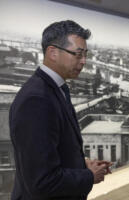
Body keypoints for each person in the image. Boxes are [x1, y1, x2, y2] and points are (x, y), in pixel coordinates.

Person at [9, 20, 112, 200]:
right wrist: (89, 176)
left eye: (85, 54)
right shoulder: (37, 100)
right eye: (78, 54)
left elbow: (53, 151)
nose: (84, 61)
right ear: (52, 52)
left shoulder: (57, 88)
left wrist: (83, 164)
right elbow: (41, 181)